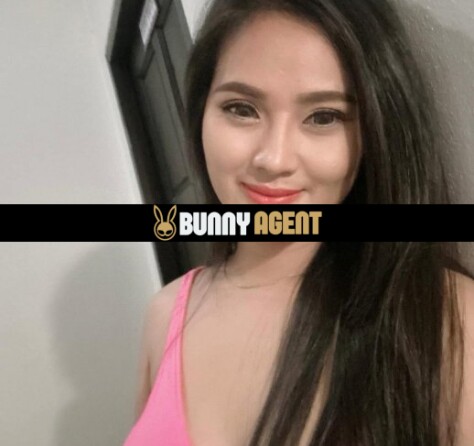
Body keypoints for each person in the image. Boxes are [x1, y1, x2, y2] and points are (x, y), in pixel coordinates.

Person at [124, 0, 474, 445]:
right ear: (200, 115)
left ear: (376, 132)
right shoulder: (164, 314)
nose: (274, 159)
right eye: (241, 108)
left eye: (324, 117)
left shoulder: (449, 318)